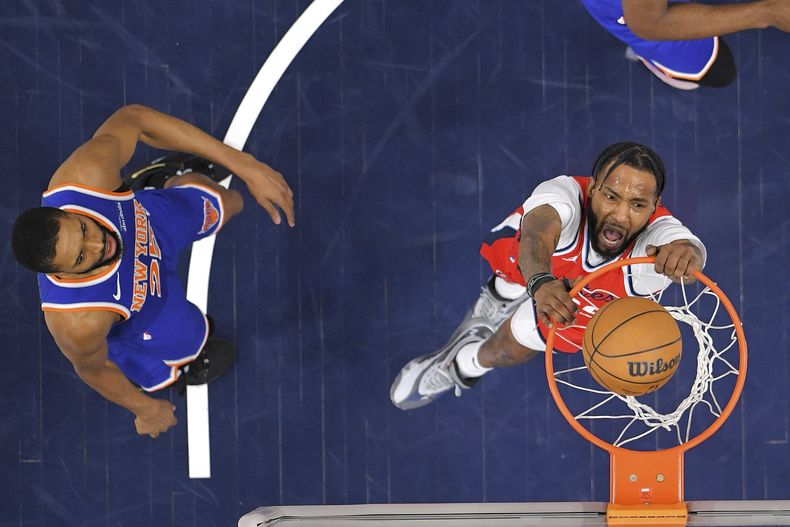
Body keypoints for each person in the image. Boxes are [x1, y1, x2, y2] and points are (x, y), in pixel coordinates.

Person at [11, 105, 294, 436]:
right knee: (190, 343)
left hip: (149, 225)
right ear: (62, 274)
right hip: (148, 308)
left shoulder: (88, 174)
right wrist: (145, 408)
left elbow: (137, 120)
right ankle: (184, 367)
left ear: (69, 212)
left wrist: (244, 164)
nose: (98, 246)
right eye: (80, 259)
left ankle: (165, 180)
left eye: (85, 230)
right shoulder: (79, 321)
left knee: (228, 202)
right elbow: (95, 369)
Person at [390, 142, 706, 410]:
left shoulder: (657, 237)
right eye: (611, 197)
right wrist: (539, 283)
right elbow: (537, 232)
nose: (621, 215)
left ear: (654, 206)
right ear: (593, 188)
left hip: (585, 301)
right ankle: (501, 295)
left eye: (638, 204)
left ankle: (461, 363)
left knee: (511, 347)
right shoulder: (564, 193)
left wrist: (687, 255)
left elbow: (685, 245)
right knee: (518, 262)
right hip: (540, 267)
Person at [580, 0, 790, 90]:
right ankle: (648, 57)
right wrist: (767, 13)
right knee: (719, 71)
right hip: (644, 19)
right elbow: (650, 25)